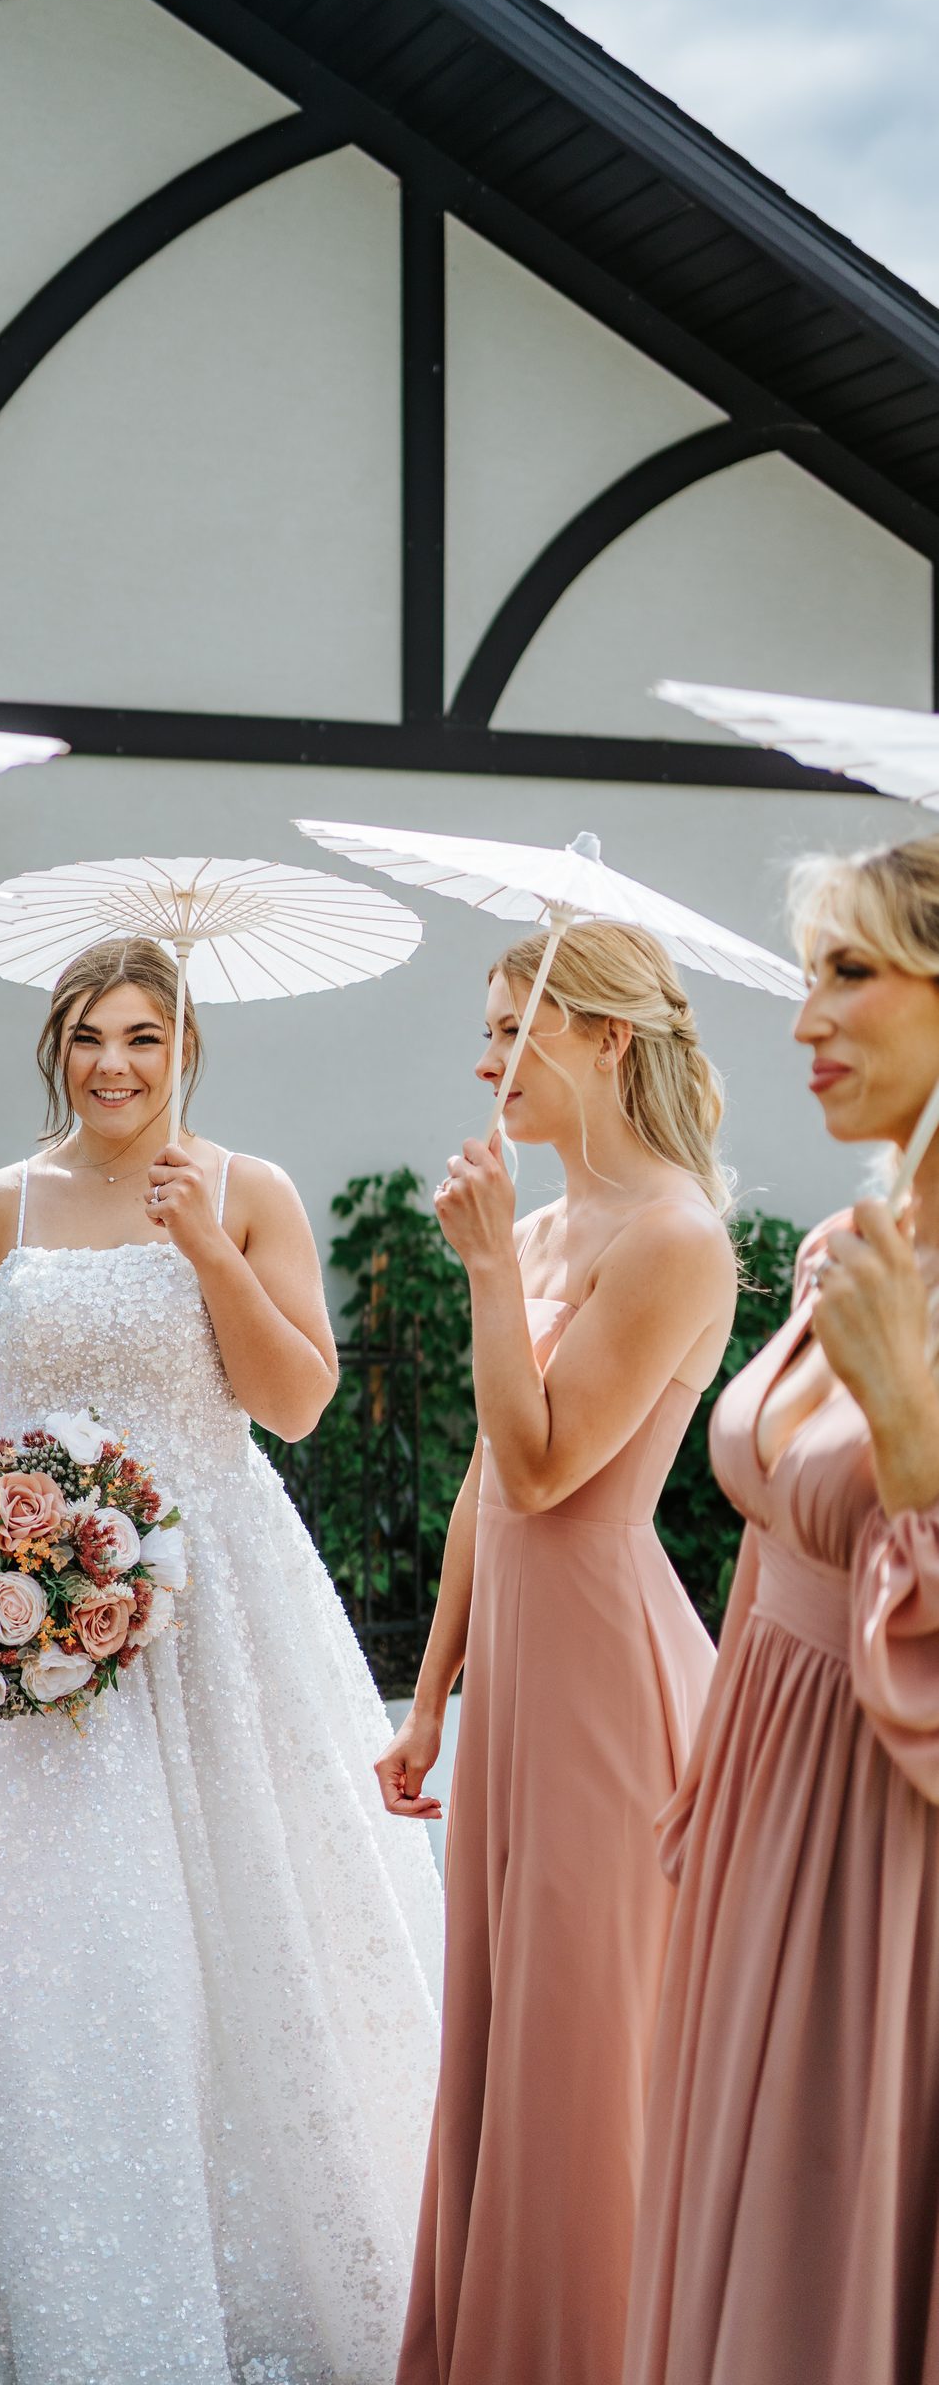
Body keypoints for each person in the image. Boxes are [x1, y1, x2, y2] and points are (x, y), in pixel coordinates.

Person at [0, 934, 443, 2385]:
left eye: (144, 1036)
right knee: (39, 1925)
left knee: (242, 1915)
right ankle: (36, 2232)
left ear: (185, 1045)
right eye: (88, 1035)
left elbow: (299, 1403)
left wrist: (205, 1243)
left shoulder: (248, 1190)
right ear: (54, 1049)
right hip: (33, 1585)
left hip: (218, 1602)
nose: (114, 1064)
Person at [378, 920, 734, 2385]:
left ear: (609, 1041)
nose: (488, 1057)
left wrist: (472, 1281)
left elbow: (545, 1474)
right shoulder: (537, 1231)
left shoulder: (675, 1239)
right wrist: (428, 1697)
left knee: (580, 2046)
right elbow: (478, 1492)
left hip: (605, 1676)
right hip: (518, 1671)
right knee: (496, 2021)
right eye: (488, 1023)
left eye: (518, 1027)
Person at [624, 839, 939, 2385]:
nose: (806, 1016)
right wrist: (716, 1772)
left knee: (837, 2225)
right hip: (766, 1790)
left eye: (855, 971)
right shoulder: (845, 1252)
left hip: (898, 1839)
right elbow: (769, 1540)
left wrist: (923, 1440)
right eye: (811, 971)